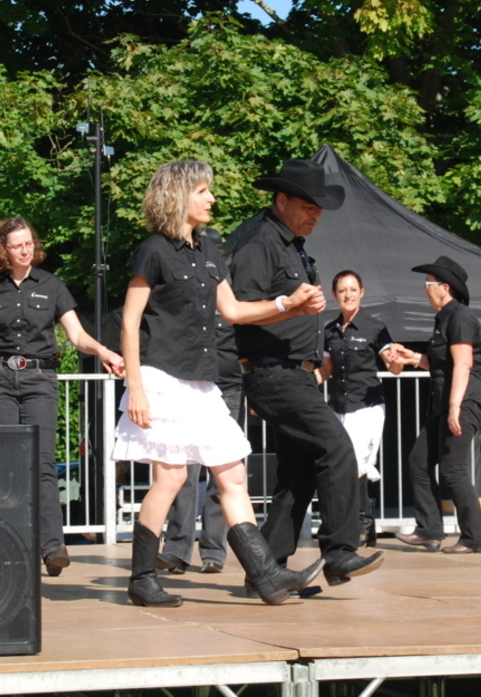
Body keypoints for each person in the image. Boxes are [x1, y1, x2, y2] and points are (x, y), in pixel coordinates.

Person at [112, 161, 326, 607]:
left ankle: (265, 574)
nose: (212, 198)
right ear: (178, 196)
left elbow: (234, 311)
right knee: (170, 478)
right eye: (203, 191)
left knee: (233, 473)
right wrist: (137, 389)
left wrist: (288, 304)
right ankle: (142, 578)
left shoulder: (209, 248)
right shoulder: (152, 251)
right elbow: (130, 323)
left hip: (201, 381)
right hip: (161, 377)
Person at [225, 159, 384, 586]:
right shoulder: (260, 242)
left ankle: (266, 570)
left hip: (293, 373)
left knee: (299, 472)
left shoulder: (289, 243)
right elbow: (239, 310)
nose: (316, 215)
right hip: (273, 371)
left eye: (319, 208)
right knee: (336, 447)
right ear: (281, 200)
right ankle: (340, 551)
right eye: (308, 206)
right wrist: (291, 307)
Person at [0, 217, 125, 578]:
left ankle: (52, 547)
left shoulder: (52, 285)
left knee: (42, 464)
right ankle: (9, 546)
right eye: (17, 245)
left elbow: (77, 335)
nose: (25, 250)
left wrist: (104, 351)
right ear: (3, 250)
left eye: (29, 243)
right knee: (5, 466)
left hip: (39, 379)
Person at [156, 228, 245, 575]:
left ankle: (213, 551)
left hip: (228, 385)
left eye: (217, 253)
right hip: (191, 386)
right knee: (184, 469)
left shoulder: (232, 292)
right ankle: (177, 549)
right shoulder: (188, 291)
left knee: (224, 471)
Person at [392, 255, 481, 554]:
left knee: (453, 470)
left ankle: (475, 538)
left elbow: (463, 364)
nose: (424, 289)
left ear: (445, 287)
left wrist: (455, 408)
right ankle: (429, 531)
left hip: (462, 401)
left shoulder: (461, 317)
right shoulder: (444, 317)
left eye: (428, 284)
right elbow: (441, 364)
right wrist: (412, 358)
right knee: (419, 462)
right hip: (443, 403)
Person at [315, 270, 402, 547]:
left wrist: (397, 361)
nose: (348, 295)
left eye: (353, 290)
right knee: (339, 464)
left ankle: (361, 523)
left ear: (362, 293)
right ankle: (359, 524)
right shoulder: (329, 330)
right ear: (334, 295)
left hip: (366, 406)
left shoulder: (375, 327)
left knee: (356, 464)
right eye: (342, 290)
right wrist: (303, 383)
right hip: (338, 406)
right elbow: (326, 370)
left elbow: (393, 367)